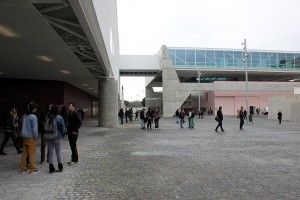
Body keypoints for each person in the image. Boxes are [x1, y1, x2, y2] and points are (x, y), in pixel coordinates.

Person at [20, 102, 39, 174]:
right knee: (31, 153)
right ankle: (32, 168)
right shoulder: (33, 117)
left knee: (24, 153)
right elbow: (34, 129)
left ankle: (23, 168)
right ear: (34, 109)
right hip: (31, 136)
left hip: (24, 136)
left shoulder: (24, 116)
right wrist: (36, 136)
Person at [46, 104, 65, 173]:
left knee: (50, 153)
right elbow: (62, 127)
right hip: (57, 137)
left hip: (49, 137)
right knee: (58, 152)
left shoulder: (48, 117)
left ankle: (51, 168)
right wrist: (63, 134)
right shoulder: (59, 117)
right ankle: (60, 167)